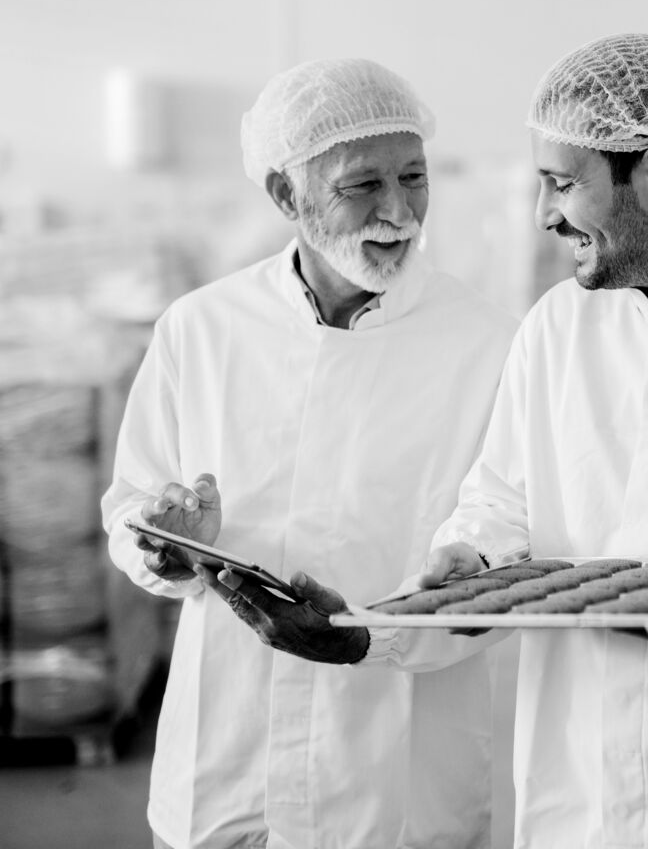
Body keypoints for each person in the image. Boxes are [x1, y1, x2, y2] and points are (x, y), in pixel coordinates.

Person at [210, 35, 648, 849]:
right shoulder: (558, 328)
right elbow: (499, 510)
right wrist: (460, 570)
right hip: (577, 804)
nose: (545, 214)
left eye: (561, 184)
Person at [101, 58, 517, 849]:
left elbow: (508, 563)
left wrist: (373, 636)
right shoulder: (203, 330)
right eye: (362, 186)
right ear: (287, 196)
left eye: (414, 178)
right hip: (226, 768)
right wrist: (167, 541)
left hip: (397, 784)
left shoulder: (490, 346)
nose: (398, 211)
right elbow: (129, 501)